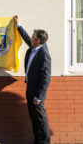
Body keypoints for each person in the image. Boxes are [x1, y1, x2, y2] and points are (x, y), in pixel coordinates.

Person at [14, 15, 51, 144]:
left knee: (41, 119)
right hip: (30, 89)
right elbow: (25, 37)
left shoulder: (44, 55)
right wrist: (18, 25)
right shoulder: (34, 46)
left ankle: (45, 142)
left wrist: (39, 96)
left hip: (37, 94)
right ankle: (38, 140)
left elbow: (46, 78)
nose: (30, 38)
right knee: (34, 118)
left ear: (38, 41)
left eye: (33, 37)